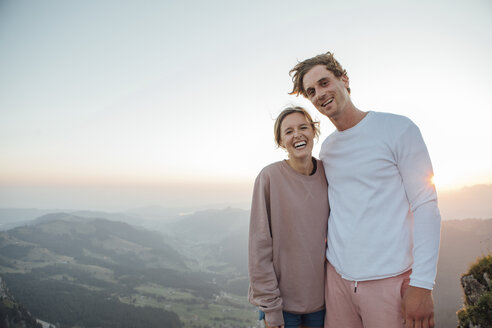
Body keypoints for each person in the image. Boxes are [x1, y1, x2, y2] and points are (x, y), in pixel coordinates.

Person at [288, 52, 441, 328]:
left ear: (344, 80)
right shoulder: (329, 148)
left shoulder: (397, 128)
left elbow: (426, 204)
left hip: (389, 282)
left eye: (324, 83)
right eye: (311, 91)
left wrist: (422, 284)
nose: (319, 94)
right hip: (337, 281)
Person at [248, 107, 329, 328]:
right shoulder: (269, 178)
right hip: (282, 308)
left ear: (314, 132)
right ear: (281, 141)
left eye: (303, 127)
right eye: (289, 131)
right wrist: (270, 307)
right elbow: (259, 248)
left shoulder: (329, 173)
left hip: (324, 304)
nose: (297, 135)